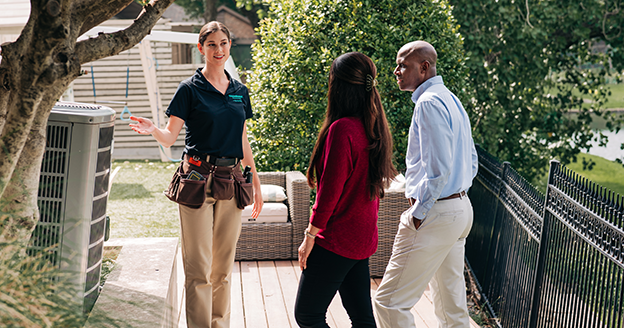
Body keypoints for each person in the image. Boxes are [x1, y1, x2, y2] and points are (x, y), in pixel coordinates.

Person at [129, 21, 263, 328]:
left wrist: (254, 178)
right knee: (199, 267)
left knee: (223, 269)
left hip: (232, 180)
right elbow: (169, 136)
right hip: (197, 180)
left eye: (224, 43)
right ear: (200, 48)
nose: (219, 50)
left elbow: (242, 139)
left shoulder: (240, 92)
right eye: (212, 44)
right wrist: (154, 130)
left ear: (230, 46)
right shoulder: (189, 89)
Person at [373, 41, 478, 328]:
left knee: (389, 303)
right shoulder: (450, 99)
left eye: (402, 65)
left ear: (424, 67)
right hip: (458, 209)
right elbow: (471, 159)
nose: (396, 71)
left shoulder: (429, 103)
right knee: (451, 309)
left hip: (435, 214)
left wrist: (420, 212)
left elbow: (438, 168)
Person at [294, 52, 397, 328]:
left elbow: (329, 192)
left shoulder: (343, 130)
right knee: (362, 318)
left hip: (337, 239)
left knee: (308, 315)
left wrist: (310, 236)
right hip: (361, 238)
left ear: (337, 86)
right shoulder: (372, 126)